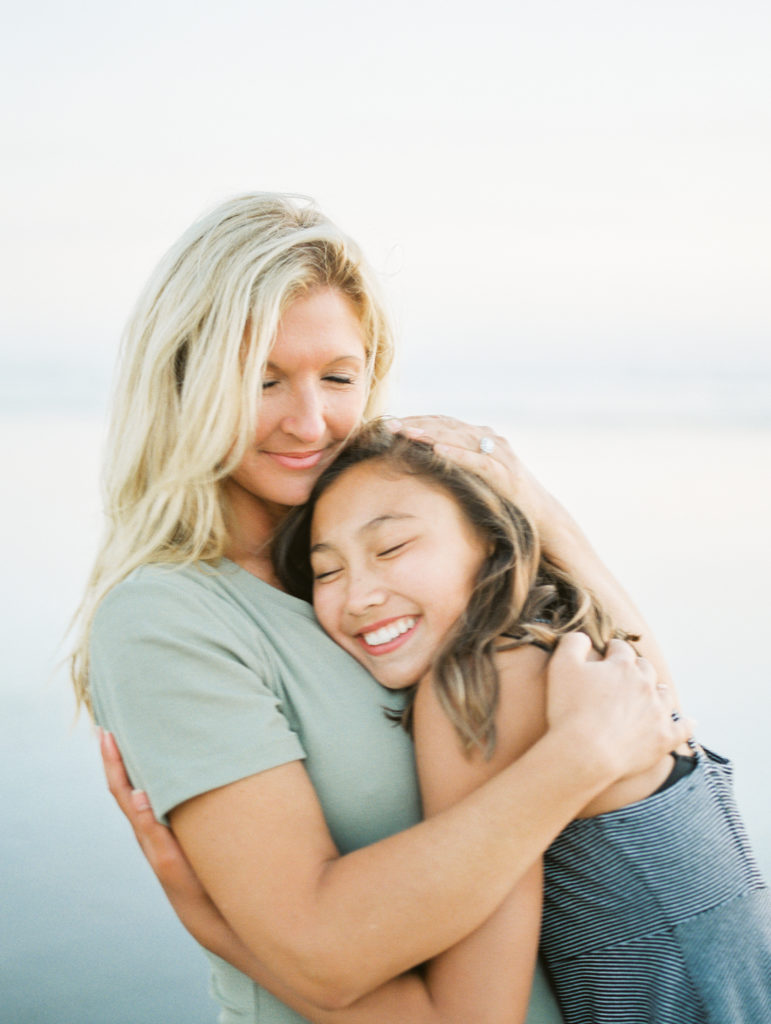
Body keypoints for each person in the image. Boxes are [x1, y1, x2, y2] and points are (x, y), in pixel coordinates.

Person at [73, 192, 690, 1024]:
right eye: (263, 381)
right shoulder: (167, 618)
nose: (310, 420)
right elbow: (325, 956)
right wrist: (574, 759)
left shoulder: (391, 556)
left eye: (337, 377)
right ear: (185, 380)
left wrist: (541, 515)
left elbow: (653, 728)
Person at [270, 420, 771, 1023]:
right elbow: (667, 701)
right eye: (327, 572)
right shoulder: (570, 650)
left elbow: (475, 1018)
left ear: (491, 541)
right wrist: (547, 514)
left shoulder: (475, 690)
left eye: (392, 548)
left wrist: (238, 938)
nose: (358, 597)